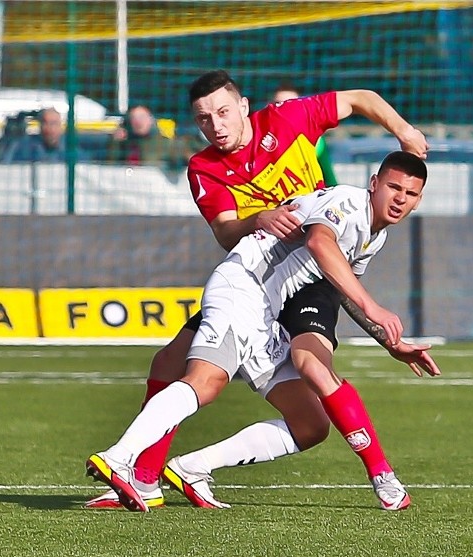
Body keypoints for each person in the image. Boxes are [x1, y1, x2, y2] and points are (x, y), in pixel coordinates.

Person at [84, 70, 436, 512]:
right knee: (195, 374)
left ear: (244, 107)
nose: (216, 124)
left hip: (296, 286)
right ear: (373, 184)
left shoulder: (289, 124)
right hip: (251, 283)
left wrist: (389, 339)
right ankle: (129, 463)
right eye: (204, 118)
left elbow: (360, 97)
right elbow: (282, 237)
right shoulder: (209, 168)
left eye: (223, 112)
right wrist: (259, 220)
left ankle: (189, 468)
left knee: (310, 422)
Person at [271, 81, 338, 187]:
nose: (284, 109)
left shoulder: (316, 141)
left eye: (291, 104)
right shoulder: (257, 139)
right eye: (278, 104)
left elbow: (330, 179)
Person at [106, 104, 191, 170]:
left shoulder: (165, 143)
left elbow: (181, 160)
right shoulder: (124, 145)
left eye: (142, 117)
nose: (138, 121)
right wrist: (115, 143)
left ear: (151, 119)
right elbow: (111, 167)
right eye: (133, 118)